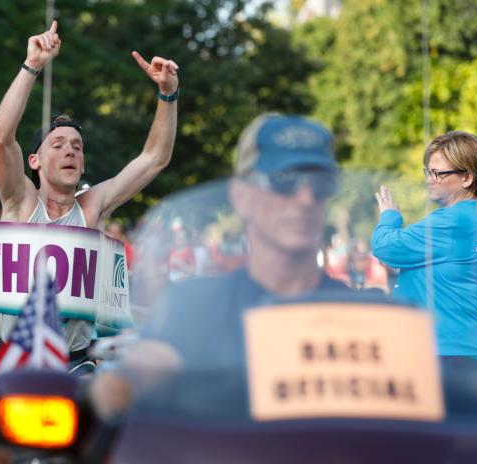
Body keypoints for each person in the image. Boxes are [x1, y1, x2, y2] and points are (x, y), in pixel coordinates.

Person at [0, 19, 178, 464]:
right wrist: (33, 65)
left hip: (78, 362)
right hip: (14, 358)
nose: (69, 150)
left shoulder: (93, 207)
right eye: (57, 144)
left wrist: (167, 95)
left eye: (77, 145)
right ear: (36, 162)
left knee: (86, 454)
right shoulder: (17, 204)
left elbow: (153, 160)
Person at [138, 113, 346, 367]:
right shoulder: (192, 308)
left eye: (322, 184)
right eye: (284, 181)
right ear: (241, 195)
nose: (306, 199)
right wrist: (113, 389)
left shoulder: (365, 313)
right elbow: (142, 371)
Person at [372, 130, 477, 365]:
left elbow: (384, 246)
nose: (429, 179)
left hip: (444, 354)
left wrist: (390, 216)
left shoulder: (452, 221)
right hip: (463, 352)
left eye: (438, 173)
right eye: (428, 171)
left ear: (467, 178)